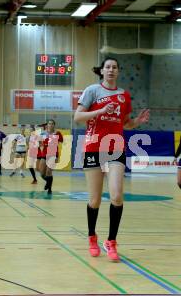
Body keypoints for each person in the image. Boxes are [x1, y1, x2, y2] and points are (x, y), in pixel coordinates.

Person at [74, 57, 150, 262]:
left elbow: (126, 124)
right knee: (95, 199)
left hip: (116, 148)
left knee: (117, 196)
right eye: (107, 67)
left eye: (114, 67)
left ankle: (111, 241)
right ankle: (92, 238)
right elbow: (77, 117)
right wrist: (99, 111)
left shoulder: (125, 96)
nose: (111, 70)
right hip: (93, 147)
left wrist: (137, 122)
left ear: (118, 71)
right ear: (102, 71)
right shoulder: (92, 91)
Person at [36, 120, 63, 194]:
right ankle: (48, 182)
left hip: (53, 154)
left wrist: (57, 156)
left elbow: (60, 143)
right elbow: (39, 142)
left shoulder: (57, 133)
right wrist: (41, 147)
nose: (50, 125)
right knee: (41, 173)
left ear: (54, 125)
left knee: (49, 172)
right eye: (49, 124)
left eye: (52, 124)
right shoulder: (43, 133)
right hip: (44, 154)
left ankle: (49, 189)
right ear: (47, 125)